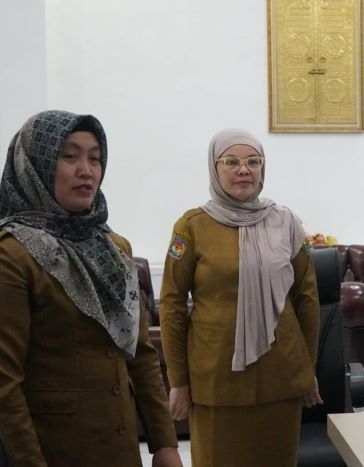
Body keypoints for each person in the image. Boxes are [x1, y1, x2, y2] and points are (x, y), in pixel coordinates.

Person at [0, 110, 181, 466]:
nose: (86, 170)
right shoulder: (13, 254)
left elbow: (140, 353)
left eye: (95, 158)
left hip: (119, 447)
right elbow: (4, 380)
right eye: (69, 156)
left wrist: (165, 443)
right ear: (36, 165)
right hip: (54, 450)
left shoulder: (114, 248)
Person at [159, 129, 321, 467]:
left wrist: (307, 370)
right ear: (214, 168)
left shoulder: (287, 223)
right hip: (216, 379)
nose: (243, 170)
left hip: (281, 377)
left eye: (253, 162)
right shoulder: (191, 226)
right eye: (231, 162)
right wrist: (178, 381)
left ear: (263, 168)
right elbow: (171, 304)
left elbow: (306, 299)